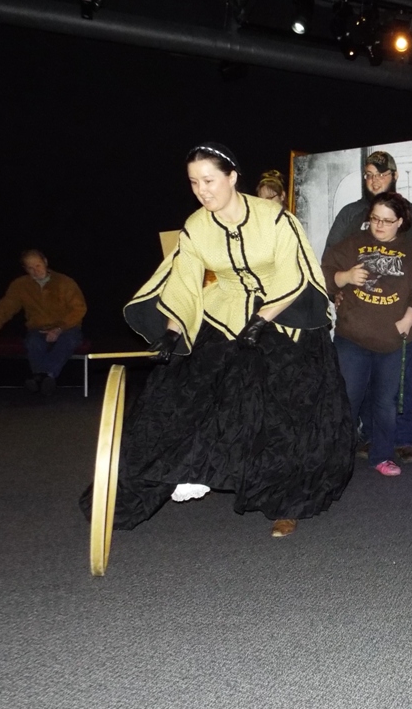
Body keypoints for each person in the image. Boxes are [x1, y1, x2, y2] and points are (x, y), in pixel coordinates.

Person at [80, 142, 353, 538]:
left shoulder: (274, 218)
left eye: (208, 180)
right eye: (194, 182)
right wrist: (172, 331)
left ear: (232, 177)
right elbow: (183, 282)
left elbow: (293, 272)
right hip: (224, 311)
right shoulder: (196, 226)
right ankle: (164, 479)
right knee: (181, 395)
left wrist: (261, 320)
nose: (201, 190)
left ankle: (287, 504)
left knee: (288, 413)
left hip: (283, 314)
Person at [325, 151, 412, 465]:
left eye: (381, 174)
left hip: (399, 323)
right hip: (357, 323)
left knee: (398, 388)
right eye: (369, 174)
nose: (374, 180)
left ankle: (399, 442)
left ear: (394, 175)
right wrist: (339, 287)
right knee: (354, 387)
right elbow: (329, 262)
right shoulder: (351, 216)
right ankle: (362, 440)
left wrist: (410, 311)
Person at [0, 249, 87, 396]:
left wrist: (59, 328)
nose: (36, 271)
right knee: (33, 342)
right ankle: (46, 378)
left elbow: (79, 309)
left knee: (67, 341)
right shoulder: (20, 285)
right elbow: (4, 310)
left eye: (38, 265)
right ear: (25, 269)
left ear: (45, 262)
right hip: (38, 329)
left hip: (67, 328)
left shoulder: (64, 282)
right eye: (31, 268)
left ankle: (43, 376)